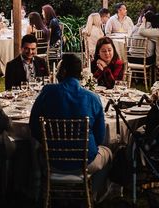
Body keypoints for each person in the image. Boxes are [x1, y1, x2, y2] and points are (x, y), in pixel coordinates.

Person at [29, 53, 112, 199]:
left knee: (32, 149)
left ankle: (39, 193)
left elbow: (34, 127)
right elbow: (100, 137)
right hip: (85, 160)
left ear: (63, 71)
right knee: (109, 153)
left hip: (52, 159)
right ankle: (93, 196)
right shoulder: (93, 98)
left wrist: (48, 143)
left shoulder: (48, 92)